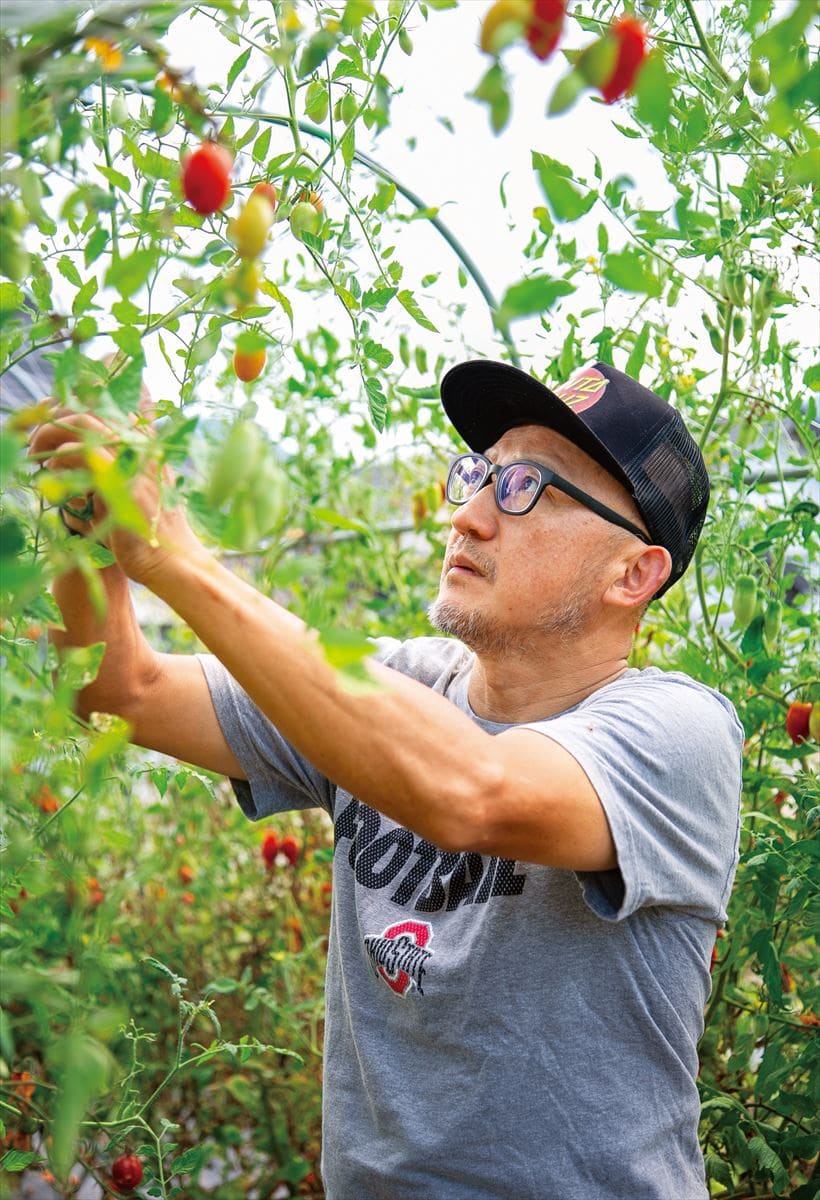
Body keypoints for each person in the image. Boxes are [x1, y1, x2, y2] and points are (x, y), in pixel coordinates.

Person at [31, 358, 743, 1200]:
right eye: (479, 474)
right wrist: (88, 522)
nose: (470, 517)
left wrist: (174, 552)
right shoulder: (396, 688)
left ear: (634, 574)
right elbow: (123, 688)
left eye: (527, 490)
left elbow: (468, 790)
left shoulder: (679, 734)